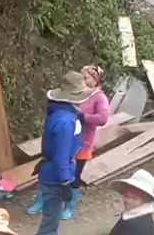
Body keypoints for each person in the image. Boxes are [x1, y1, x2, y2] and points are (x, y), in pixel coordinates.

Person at [26, 71, 91, 235]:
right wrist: (66, 181)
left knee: (53, 220)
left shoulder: (64, 114)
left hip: (55, 172)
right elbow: (62, 156)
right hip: (55, 176)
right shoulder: (65, 121)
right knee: (50, 220)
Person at [27, 64, 109, 220]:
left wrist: (82, 117)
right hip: (66, 137)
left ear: (96, 79)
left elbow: (103, 118)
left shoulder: (99, 97)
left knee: (74, 175)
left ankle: (69, 206)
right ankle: (42, 201)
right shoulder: (74, 96)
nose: (84, 81)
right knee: (52, 168)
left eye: (87, 78)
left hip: (82, 142)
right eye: (82, 77)